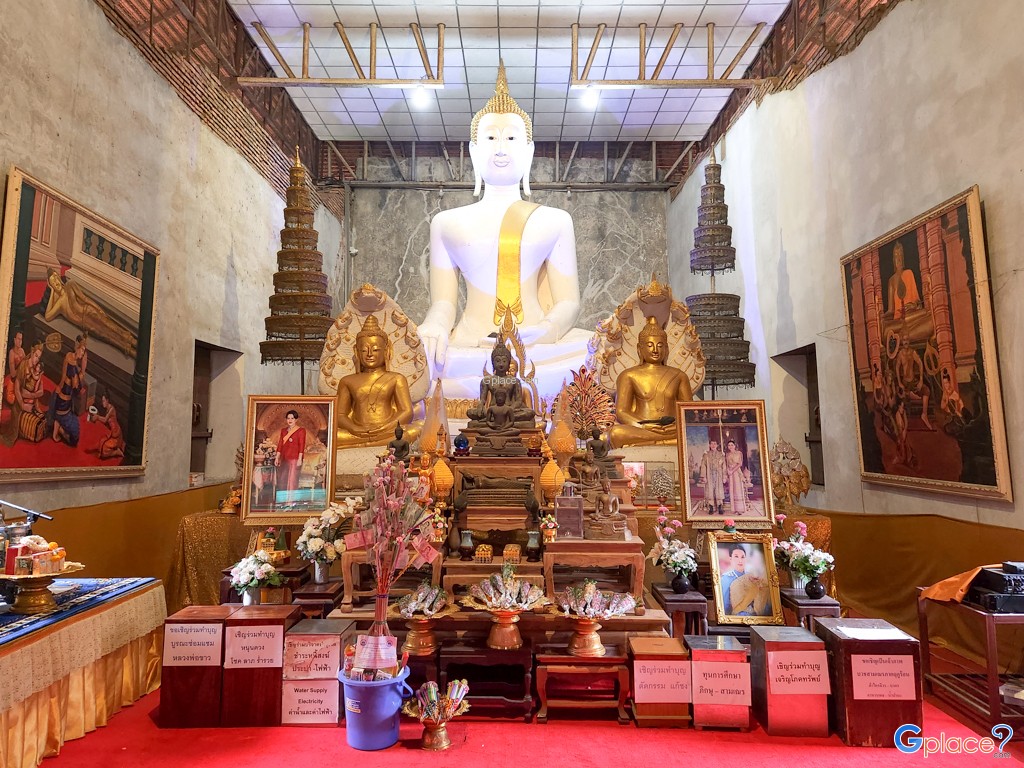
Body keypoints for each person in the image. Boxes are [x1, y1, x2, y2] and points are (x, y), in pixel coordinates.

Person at [418, 62, 591, 400]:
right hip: (470, 344)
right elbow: (443, 302)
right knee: (422, 357)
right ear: (473, 151)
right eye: (490, 138)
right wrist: (435, 325)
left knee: (593, 351)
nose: (500, 148)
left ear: (529, 152)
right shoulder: (446, 223)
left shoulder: (555, 220)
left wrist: (543, 332)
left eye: (511, 138)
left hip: (537, 346)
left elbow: (569, 303)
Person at [335, 314, 421, 447]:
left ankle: (364, 444)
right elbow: (340, 415)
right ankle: (372, 442)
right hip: (357, 432)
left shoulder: (397, 379)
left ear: (386, 351)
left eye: (375, 350)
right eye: (364, 350)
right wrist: (354, 428)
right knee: (334, 436)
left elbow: (407, 412)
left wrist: (386, 427)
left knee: (414, 431)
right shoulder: (347, 381)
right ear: (356, 352)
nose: (369, 354)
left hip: (388, 430)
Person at [608, 317, 694, 447]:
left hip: (671, 430)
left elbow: (689, 412)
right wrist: (643, 426)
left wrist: (676, 425)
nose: (655, 350)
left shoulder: (679, 376)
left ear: (666, 348)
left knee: (694, 433)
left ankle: (652, 443)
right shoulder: (628, 375)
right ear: (640, 348)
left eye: (660, 346)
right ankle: (664, 443)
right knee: (616, 433)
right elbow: (621, 412)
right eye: (649, 345)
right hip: (643, 429)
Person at [43, 269, 138, 357]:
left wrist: (98, 308)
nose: (56, 283)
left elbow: (84, 298)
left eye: (56, 279)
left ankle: (132, 341)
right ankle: (128, 350)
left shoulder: (70, 285)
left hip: (89, 310)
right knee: (105, 335)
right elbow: (48, 316)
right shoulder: (60, 303)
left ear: (59, 278)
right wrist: (52, 291)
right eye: (53, 283)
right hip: (85, 323)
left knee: (110, 325)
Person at [465, 340, 536, 428]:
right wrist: (480, 406)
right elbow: (482, 400)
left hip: (510, 410)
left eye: (504, 361)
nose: (501, 364)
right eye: (498, 361)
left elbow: (518, 401)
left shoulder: (514, 381)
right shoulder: (487, 380)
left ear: (508, 363)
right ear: (493, 363)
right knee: (470, 412)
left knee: (530, 413)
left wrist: (508, 410)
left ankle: (493, 421)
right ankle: (500, 420)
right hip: (492, 411)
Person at [1, 341, 45, 447]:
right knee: (12, 434)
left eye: (39, 357)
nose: (37, 359)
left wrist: (32, 395)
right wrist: (23, 405)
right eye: (36, 356)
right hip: (19, 399)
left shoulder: (36, 367)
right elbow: (17, 389)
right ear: (32, 352)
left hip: (30, 398)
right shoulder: (23, 365)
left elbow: (39, 390)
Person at [51, 334, 88, 446]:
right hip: (63, 403)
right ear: (77, 347)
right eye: (82, 350)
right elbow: (76, 390)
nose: (82, 353)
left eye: (84, 351)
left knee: (68, 419)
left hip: (59, 395)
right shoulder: (73, 368)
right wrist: (83, 370)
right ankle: (60, 431)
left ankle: (55, 431)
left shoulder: (68, 355)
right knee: (75, 436)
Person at [895, 336, 933, 430]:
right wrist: (899, 382)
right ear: (902, 342)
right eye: (904, 340)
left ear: (909, 341)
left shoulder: (913, 352)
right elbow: (897, 367)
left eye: (907, 340)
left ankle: (924, 415)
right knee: (902, 395)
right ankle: (901, 420)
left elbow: (920, 363)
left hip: (913, 381)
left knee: (926, 390)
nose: (905, 342)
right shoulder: (900, 354)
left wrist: (921, 380)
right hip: (905, 382)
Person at [274, 409, 306, 501]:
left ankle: (291, 502)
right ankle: (284, 501)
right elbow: (280, 444)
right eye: (288, 418)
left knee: (292, 481)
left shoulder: (301, 431)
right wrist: (277, 457)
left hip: (295, 459)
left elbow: (302, 445)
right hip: (284, 458)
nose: (290, 420)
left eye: (292, 418)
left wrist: (300, 459)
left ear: (296, 419)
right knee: (283, 480)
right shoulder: (283, 431)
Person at [886, 242, 922, 320]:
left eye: (900, 254)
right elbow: (891, 310)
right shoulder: (891, 280)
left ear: (903, 257)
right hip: (898, 319)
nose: (898, 258)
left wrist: (913, 305)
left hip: (911, 315)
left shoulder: (909, 273)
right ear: (893, 259)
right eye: (896, 255)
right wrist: (881, 317)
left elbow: (918, 303)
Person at [94, 390, 124, 459]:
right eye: (102, 401)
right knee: (101, 443)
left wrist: (97, 417)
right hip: (112, 433)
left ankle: (117, 452)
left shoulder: (111, 409)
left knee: (104, 450)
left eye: (103, 401)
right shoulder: (107, 409)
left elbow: (105, 420)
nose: (102, 403)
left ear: (107, 400)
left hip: (116, 434)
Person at [699, 438, 726, 515]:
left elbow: (724, 466)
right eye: (712, 444)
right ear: (709, 445)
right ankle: (711, 507)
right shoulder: (706, 455)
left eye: (715, 444)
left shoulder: (721, 455)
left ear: (717, 445)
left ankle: (720, 507)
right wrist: (704, 476)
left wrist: (724, 476)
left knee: (719, 490)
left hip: (718, 475)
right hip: (709, 474)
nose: (713, 445)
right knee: (710, 490)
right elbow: (703, 465)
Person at [724, 440, 748, 514]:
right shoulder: (727, 454)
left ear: (735, 446)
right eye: (729, 445)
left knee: (738, 489)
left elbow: (739, 464)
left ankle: (740, 509)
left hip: (737, 472)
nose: (730, 446)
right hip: (730, 473)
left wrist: (732, 471)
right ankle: (734, 509)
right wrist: (728, 471)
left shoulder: (739, 453)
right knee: (732, 489)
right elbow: (726, 464)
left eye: (732, 445)